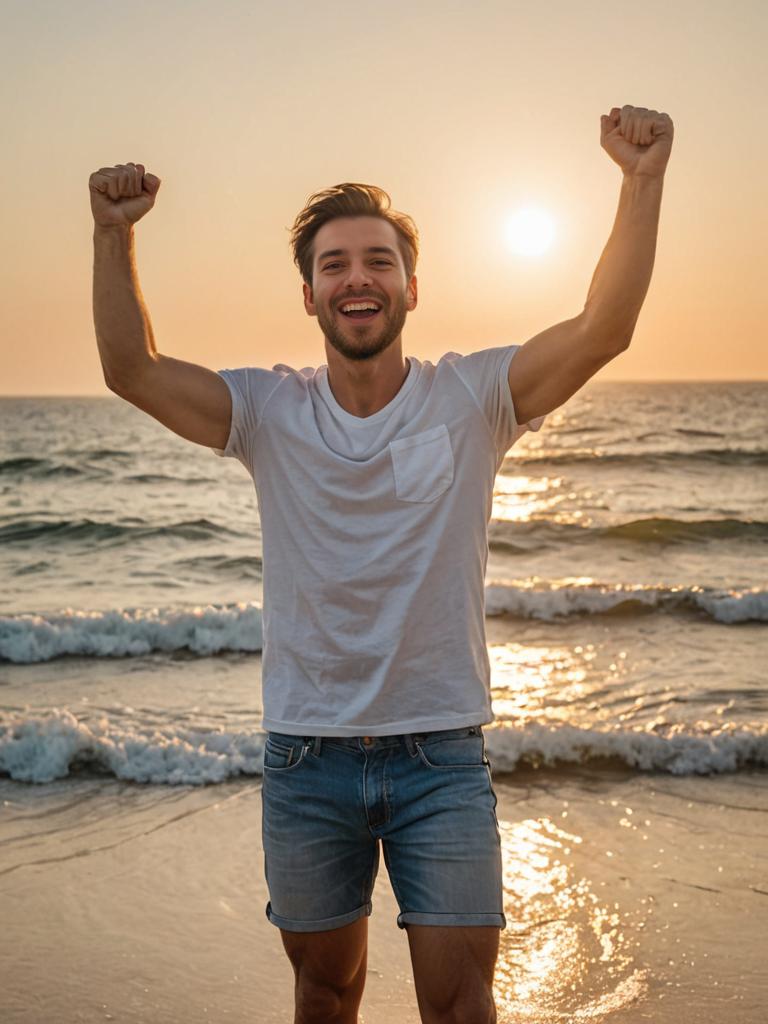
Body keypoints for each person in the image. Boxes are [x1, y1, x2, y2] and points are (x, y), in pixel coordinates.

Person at [89, 105, 671, 1023]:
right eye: (334, 266)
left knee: (460, 1005)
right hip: (306, 755)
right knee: (326, 994)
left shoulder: (475, 398)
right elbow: (132, 368)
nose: (357, 279)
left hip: (441, 753)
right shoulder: (265, 411)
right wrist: (112, 236)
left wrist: (641, 182)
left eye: (377, 262)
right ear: (311, 296)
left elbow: (604, 328)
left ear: (410, 287)